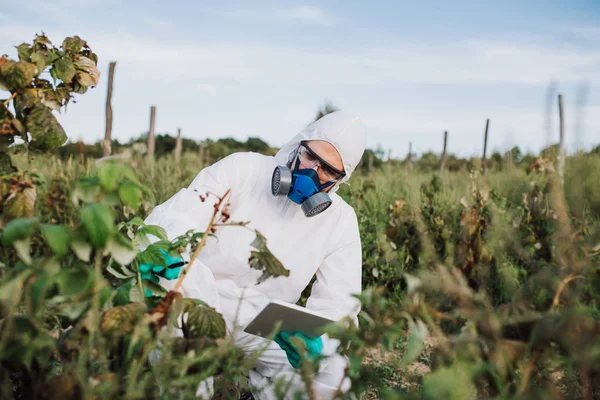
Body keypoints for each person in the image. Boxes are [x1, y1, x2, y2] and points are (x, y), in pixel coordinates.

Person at [143, 111, 367, 399]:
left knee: (334, 374)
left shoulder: (340, 220)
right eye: (311, 157)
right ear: (299, 145)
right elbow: (179, 216)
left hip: (264, 322)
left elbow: (341, 305)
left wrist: (321, 342)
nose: (312, 173)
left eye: (328, 171)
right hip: (202, 300)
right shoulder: (244, 169)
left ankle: (263, 389)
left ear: (339, 180)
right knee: (175, 288)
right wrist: (167, 255)